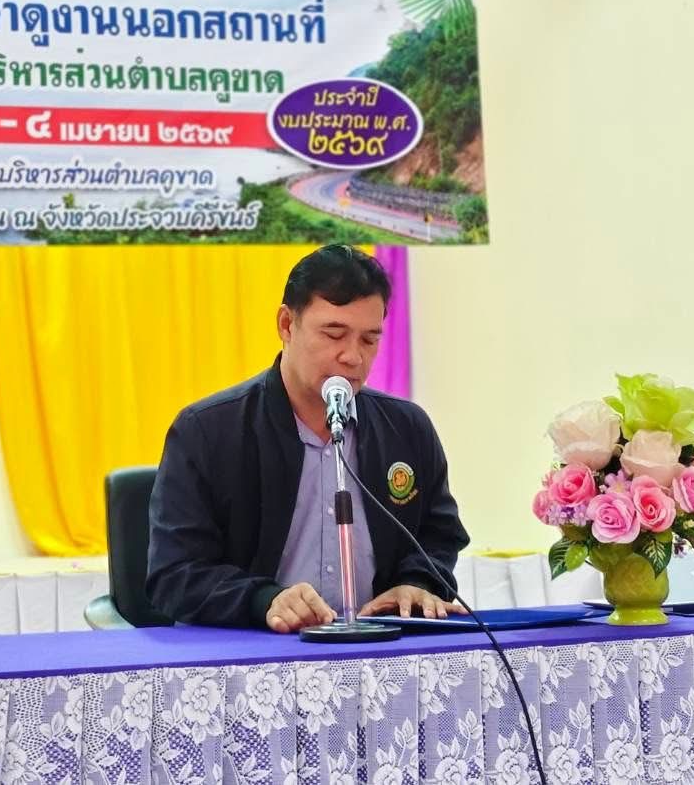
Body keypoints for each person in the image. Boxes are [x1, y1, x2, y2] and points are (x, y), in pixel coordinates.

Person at [147, 244, 470, 632]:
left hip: (380, 645)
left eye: (369, 340)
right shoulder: (207, 431)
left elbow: (439, 536)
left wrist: (417, 583)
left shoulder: (407, 428)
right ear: (286, 324)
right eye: (334, 334)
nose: (353, 357)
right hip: (255, 646)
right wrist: (263, 600)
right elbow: (175, 574)